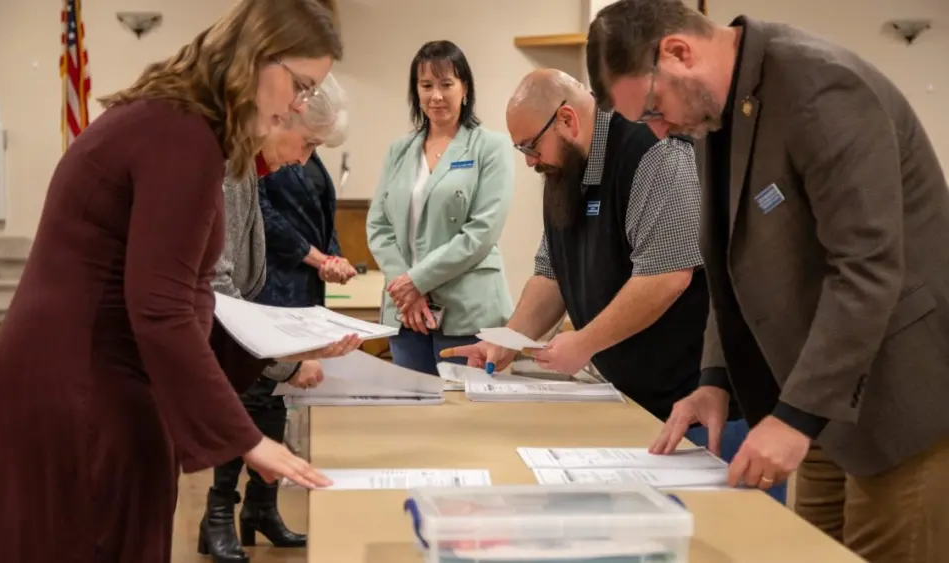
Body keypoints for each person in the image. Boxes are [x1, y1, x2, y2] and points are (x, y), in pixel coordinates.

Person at [0, 2, 343, 562]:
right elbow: (160, 307)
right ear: (256, 57)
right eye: (301, 85)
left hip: (81, 387)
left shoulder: (179, 124)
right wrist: (245, 438)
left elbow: (180, 294)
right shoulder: (182, 134)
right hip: (77, 400)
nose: (298, 106)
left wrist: (281, 345)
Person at [589, 0, 949, 559]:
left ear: (678, 52)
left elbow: (866, 269)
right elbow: (730, 265)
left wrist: (794, 419)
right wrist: (714, 379)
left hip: (901, 400)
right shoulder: (715, 114)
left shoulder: (820, 88)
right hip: (822, 401)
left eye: (653, 108)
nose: (659, 133)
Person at [445, 68, 784, 503]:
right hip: (632, 404)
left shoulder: (651, 153)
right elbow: (553, 274)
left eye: (530, 146)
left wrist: (584, 342)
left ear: (567, 120)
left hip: (702, 405)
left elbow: (666, 276)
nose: (529, 161)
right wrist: (509, 340)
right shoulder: (562, 172)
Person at [200, 74, 358, 563]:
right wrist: (287, 363)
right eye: (306, 142)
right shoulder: (230, 167)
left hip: (272, 305)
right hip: (251, 309)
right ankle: (219, 515)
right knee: (245, 399)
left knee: (270, 404)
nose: (304, 158)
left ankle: (259, 509)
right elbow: (220, 287)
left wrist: (328, 256)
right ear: (282, 113)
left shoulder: (255, 165)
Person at [366, 40, 515, 375]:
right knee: (410, 417)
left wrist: (417, 280)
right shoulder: (399, 151)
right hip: (406, 312)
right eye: (426, 85)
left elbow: (482, 231)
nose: (436, 95)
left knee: (464, 420)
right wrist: (406, 289)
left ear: (465, 88)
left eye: (446, 84)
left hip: (468, 310)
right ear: (415, 91)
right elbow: (378, 226)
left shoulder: (490, 147)